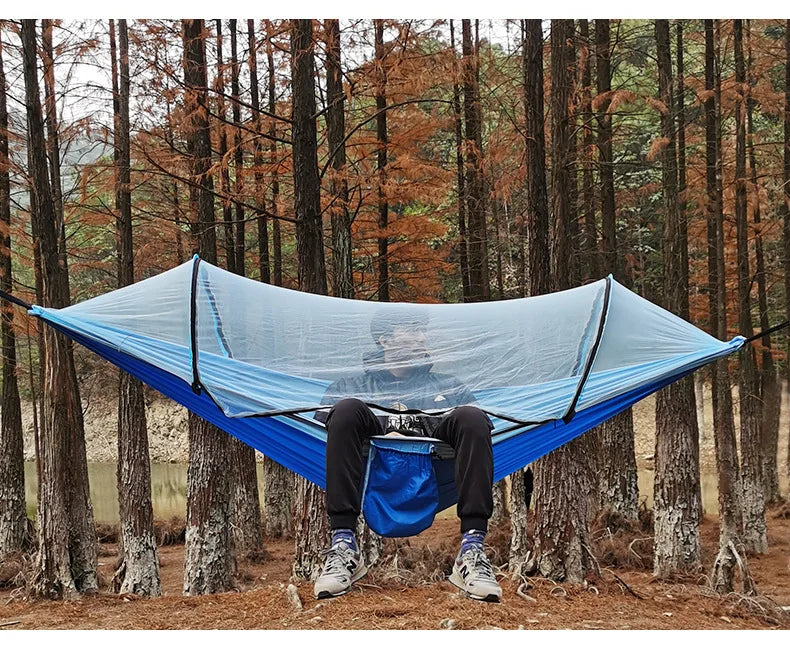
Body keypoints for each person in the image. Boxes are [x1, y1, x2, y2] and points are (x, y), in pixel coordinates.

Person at [312, 310, 502, 603]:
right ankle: (343, 546)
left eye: (422, 331)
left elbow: (471, 429)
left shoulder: (447, 386)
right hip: (367, 474)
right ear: (384, 340)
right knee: (346, 409)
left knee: (473, 418)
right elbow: (327, 429)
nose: (421, 337)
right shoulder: (350, 387)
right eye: (411, 330)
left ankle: (472, 550)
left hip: (436, 473)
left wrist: (409, 438)